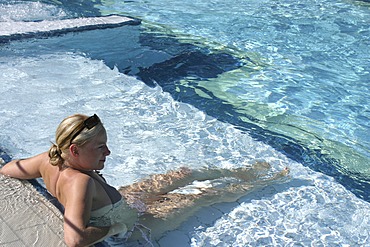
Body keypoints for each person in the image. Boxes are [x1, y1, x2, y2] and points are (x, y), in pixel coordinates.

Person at [0, 114, 289, 246]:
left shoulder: (49, 158)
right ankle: (263, 181)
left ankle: (241, 172)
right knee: (200, 196)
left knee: (182, 176)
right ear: (74, 150)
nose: (108, 152)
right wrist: (117, 226)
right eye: (100, 147)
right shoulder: (80, 183)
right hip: (134, 225)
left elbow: (8, 170)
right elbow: (74, 239)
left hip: (123, 201)